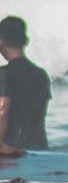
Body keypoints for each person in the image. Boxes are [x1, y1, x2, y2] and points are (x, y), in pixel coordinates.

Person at [0, 16, 51, 153]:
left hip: (12, 150)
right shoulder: (41, 75)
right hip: (40, 147)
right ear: (25, 41)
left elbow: (3, 109)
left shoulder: (4, 73)